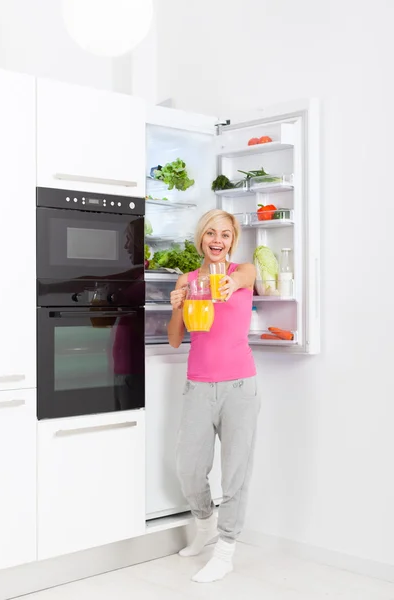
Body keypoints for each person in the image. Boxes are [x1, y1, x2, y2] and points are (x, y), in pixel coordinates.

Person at [168, 209, 261, 583]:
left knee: (236, 473)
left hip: (240, 386)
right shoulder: (188, 280)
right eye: (211, 233)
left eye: (224, 233)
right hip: (198, 385)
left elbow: (242, 278)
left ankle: (226, 549)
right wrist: (176, 307)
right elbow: (176, 338)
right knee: (188, 468)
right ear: (201, 239)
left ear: (232, 239)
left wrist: (229, 283)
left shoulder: (245, 271)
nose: (217, 239)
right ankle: (205, 524)